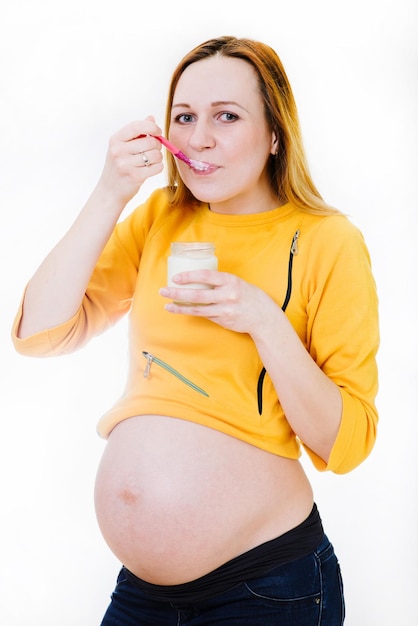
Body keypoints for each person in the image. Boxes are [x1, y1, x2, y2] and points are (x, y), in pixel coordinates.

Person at [12, 35, 379, 625]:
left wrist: (263, 320)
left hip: (266, 587)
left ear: (276, 134)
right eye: (183, 117)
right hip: (143, 596)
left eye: (227, 116)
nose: (198, 138)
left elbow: (348, 443)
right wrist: (111, 192)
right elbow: (40, 332)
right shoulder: (160, 216)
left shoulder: (327, 242)